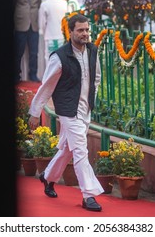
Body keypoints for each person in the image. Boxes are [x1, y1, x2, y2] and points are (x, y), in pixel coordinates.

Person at [28, 14, 104, 212]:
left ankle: (47, 177)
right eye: (80, 30)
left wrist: (91, 101)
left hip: (85, 109)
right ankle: (89, 195)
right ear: (70, 32)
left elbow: (96, 78)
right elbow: (46, 87)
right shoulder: (59, 57)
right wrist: (35, 112)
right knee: (80, 150)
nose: (85, 34)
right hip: (68, 111)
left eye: (87, 30)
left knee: (68, 149)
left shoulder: (93, 51)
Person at [13, 0, 42, 82]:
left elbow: (38, 5)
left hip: (34, 26)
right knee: (18, 52)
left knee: (34, 52)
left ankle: (33, 75)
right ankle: (16, 76)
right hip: (20, 25)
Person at [39, 0, 68, 65]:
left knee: (50, 61)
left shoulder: (44, 5)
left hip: (49, 37)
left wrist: (44, 33)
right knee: (62, 61)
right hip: (62, 37)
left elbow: (42, 24)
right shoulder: (64, 3)